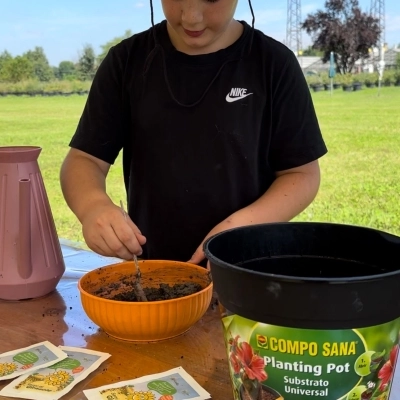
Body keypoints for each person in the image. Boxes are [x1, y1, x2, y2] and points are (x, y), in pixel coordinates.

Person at [60, 0, 327, 267]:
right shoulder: (127, 61)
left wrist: (238, 228)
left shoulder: (273, 64)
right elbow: (85, 160)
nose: (191, 17)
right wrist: (93, 206)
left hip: (245, 269)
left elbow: (301, 174)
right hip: (155, 274)